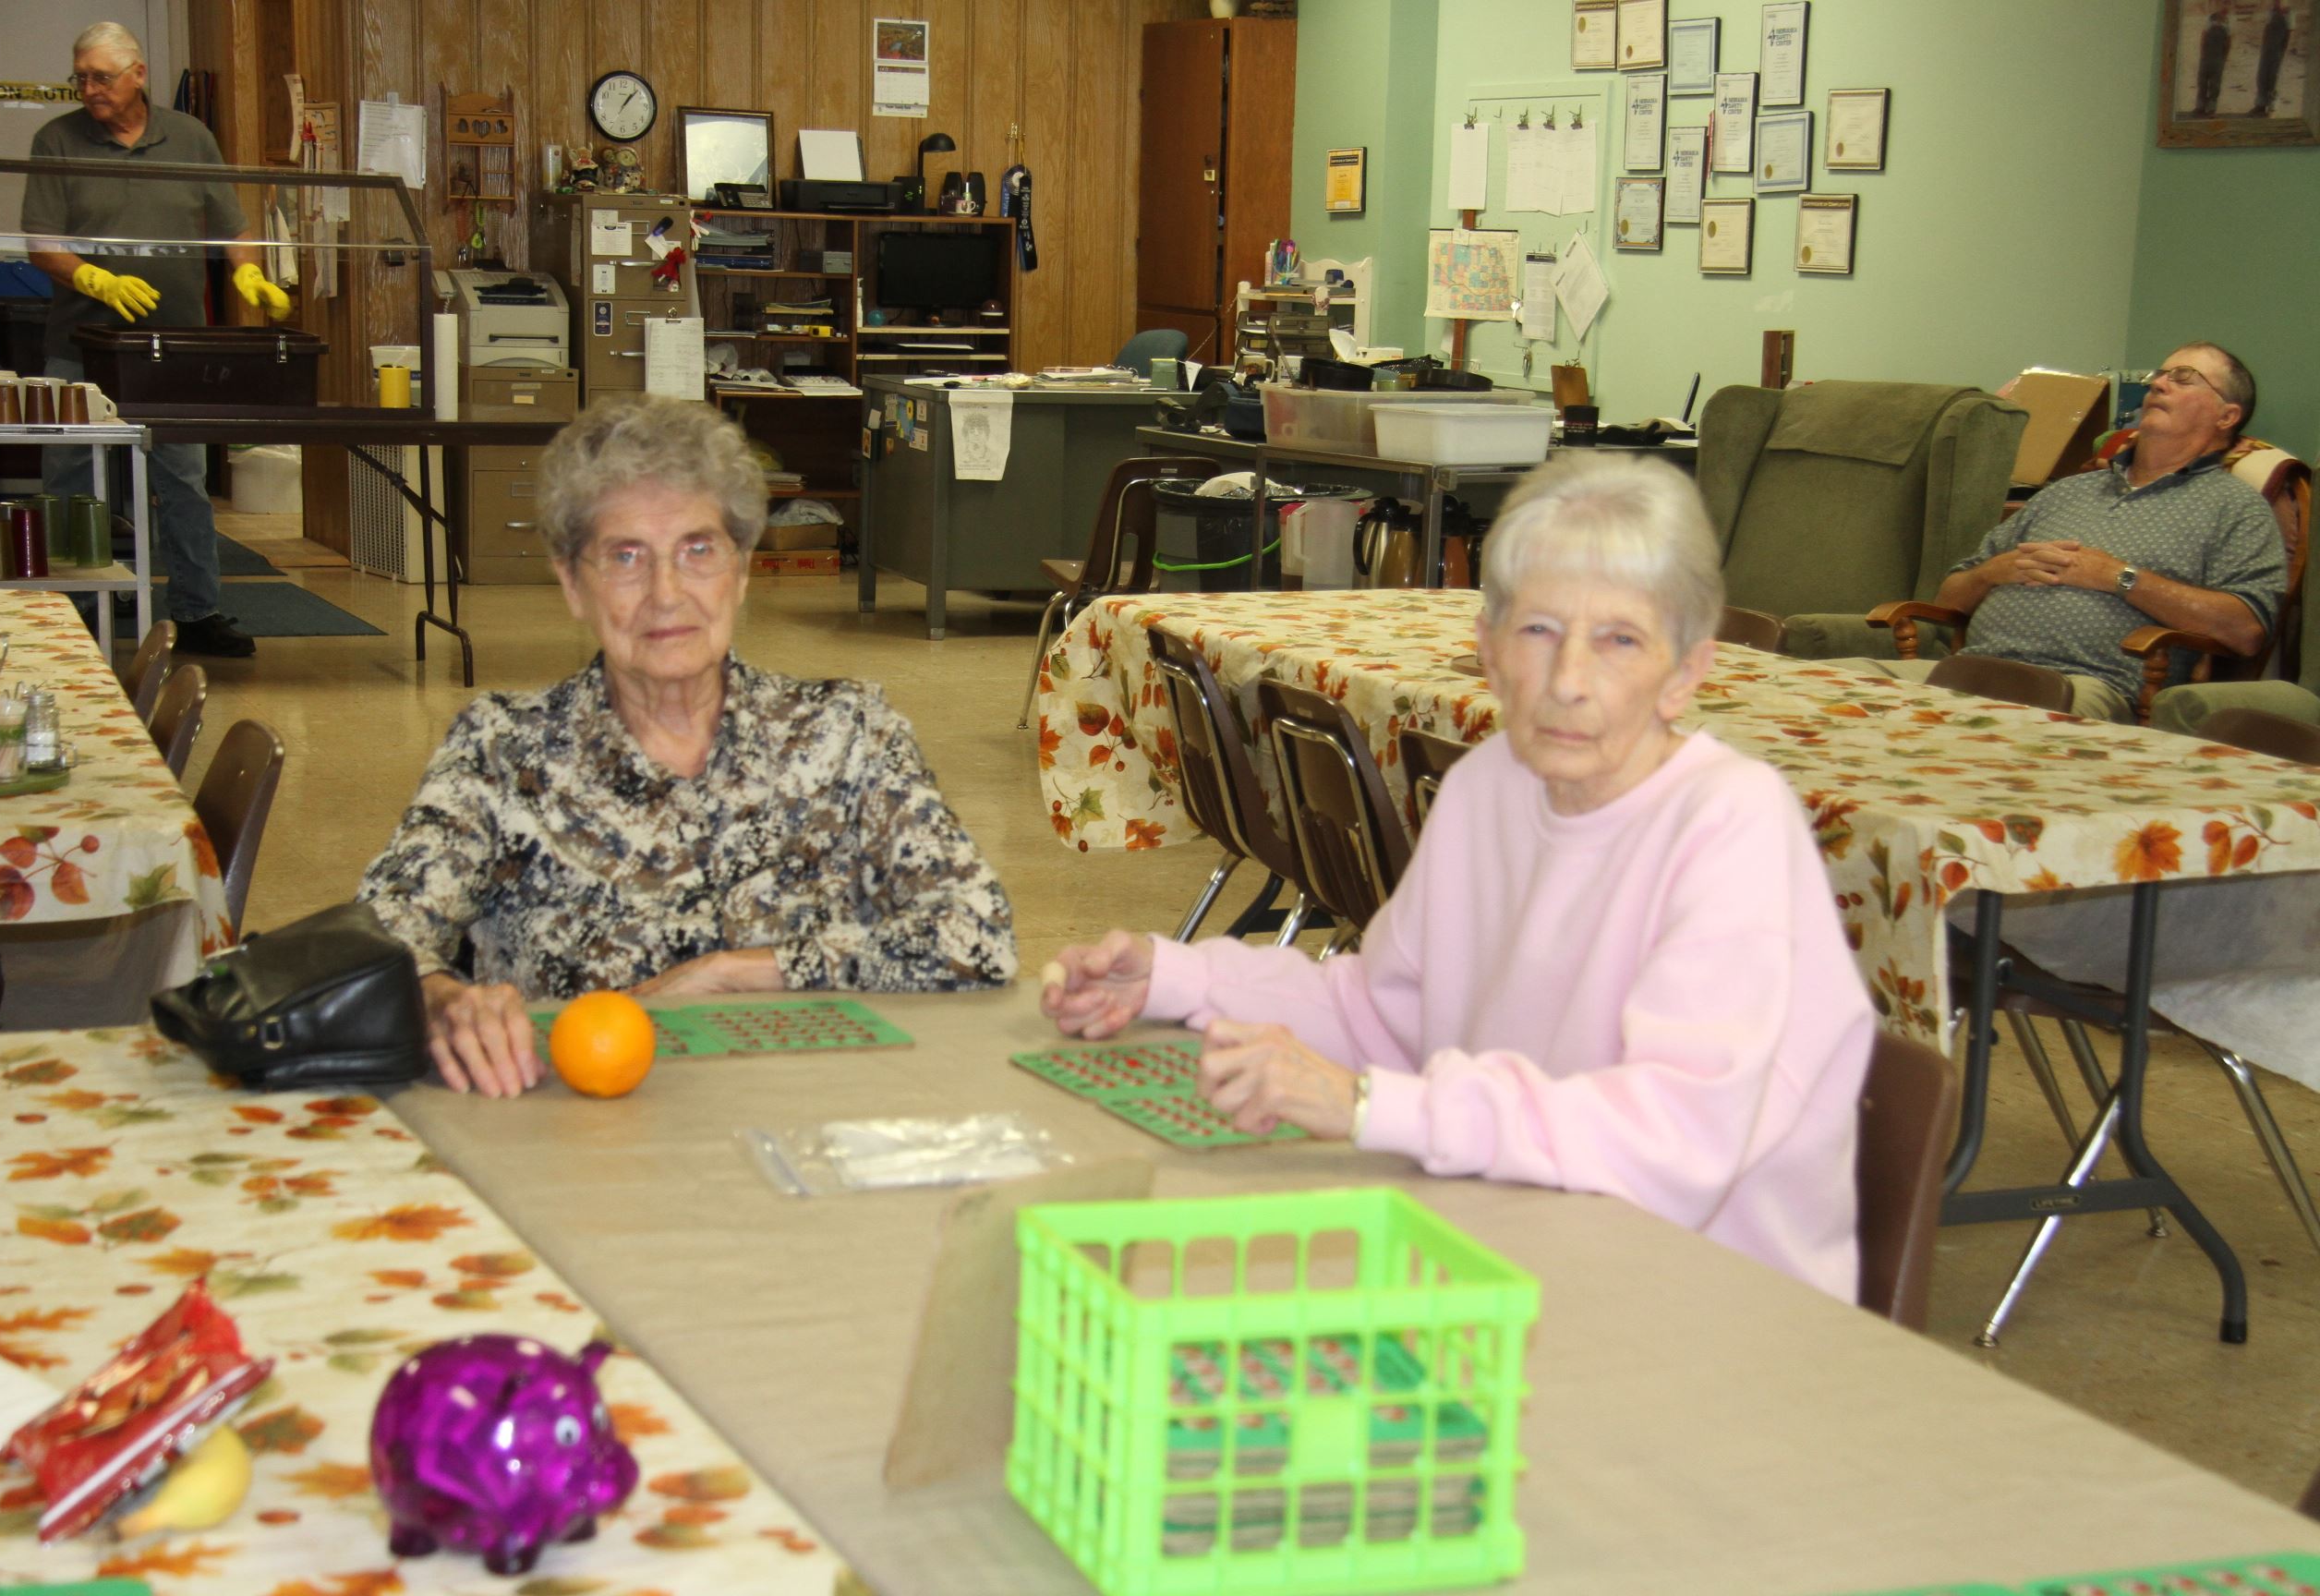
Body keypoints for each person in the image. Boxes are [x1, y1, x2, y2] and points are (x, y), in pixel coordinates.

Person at [1040, 453, 1875, 1300]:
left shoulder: (1732, 824)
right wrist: (1173, 974)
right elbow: (1386, 1013)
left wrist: (1374, 1106)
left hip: (1710, 1302)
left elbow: (1674, 1141)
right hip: (1518, 1248)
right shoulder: (1491, 787)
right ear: (1487, 650)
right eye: (1539, 631)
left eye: (1621, 640)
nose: (1570, 682)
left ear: (1686, 672)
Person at [359, 394, 1017, 1097]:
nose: (665, 593)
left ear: (738, 572)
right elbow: (374, 939)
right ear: (573, 584)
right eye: (625, 556)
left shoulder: (846, 734)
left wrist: (736, 970)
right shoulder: (503, 750)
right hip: (576, 1134)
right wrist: (440, 996)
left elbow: (976, 935)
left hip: (809, 1116)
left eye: (698, 551)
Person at [22, 21, 292, 659]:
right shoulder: (55, 140)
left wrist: (249, 271)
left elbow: (232, 226)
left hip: (171, 346)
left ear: (138, 75)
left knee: (184, 479)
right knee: (68, 478)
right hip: (79, 341)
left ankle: (197, 613)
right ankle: (72, 613)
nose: (89, 89)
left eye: (102, 78)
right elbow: (42, 243)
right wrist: (89, 274)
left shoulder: (191, 138)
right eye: (80, 77)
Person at [1859, 344, 2284, 731]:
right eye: (2160, 374)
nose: (2157, 383)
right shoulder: (2066, 491)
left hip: (2076, 686)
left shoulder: (2234, 507)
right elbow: (1948, 598)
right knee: (1822, 691)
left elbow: (2245, 629)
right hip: (1968, 671)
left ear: (2227, 415)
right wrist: (1995, 571)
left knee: (1990, 729)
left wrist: (2120, 578)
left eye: (2183, 377)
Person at [2254, 0, 2292, 115]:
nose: (2277, 3)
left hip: (2278, 50)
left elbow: (2289, 33)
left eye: (2279, 1)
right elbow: (2266, 30)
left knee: (2274, 78)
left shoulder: (2289, 13)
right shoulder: (2271, 12)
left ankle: (2272, 107)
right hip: (2267, 49)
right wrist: (2264, 47)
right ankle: (2260, 105)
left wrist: (2283, 51)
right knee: (2262, 76)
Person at [2194, 0, 2232, 116]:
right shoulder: (2210, 19)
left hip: (2218, 57)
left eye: (2228, 3)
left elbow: (2229, 42)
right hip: (2206, 56)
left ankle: (2211, 109)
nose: (2225, 6)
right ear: (2218, 5)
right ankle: (2200, 107)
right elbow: (2204, 36)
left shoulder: (2229, 22)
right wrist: (2202, 54)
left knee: (2215, 85)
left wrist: (2224, 58)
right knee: (2202, 82)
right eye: (2223, 3)